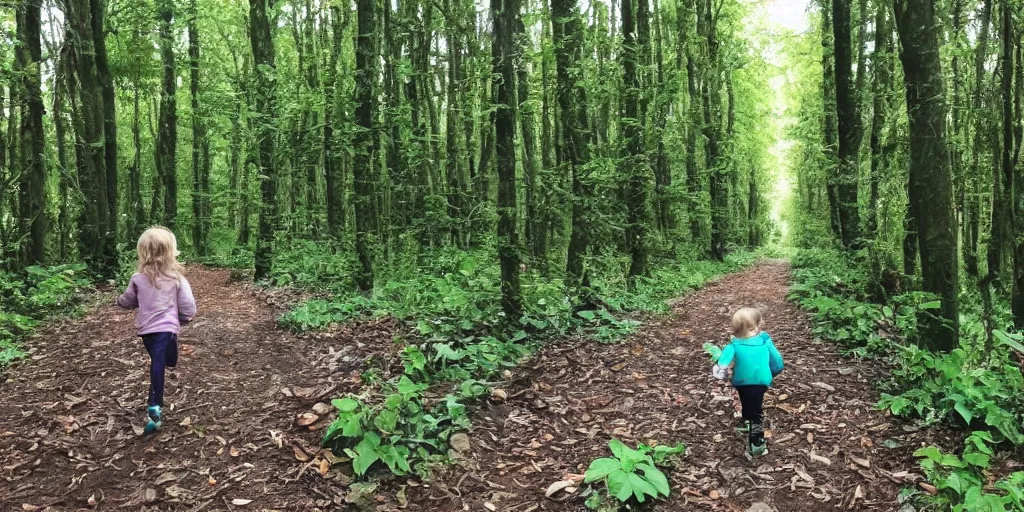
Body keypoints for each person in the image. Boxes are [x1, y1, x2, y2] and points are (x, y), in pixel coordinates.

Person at [116, 227, 196, 434]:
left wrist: (120, 302)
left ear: (142, 252)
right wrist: (185, 317)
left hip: (148, 332)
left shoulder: (140, 278)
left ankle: (156, 399)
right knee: (160, 362)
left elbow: (128, 300)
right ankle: (155, 405)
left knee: (162, 360)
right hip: (167, 329)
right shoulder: (175, 278)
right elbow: (188, 304)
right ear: (170, 251)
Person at [712, 307, 784, 457]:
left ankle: (749, 425)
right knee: (755, 409)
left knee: (748, 402)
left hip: (742, 381)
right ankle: (756, 443)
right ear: (756, 326)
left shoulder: (734, 345)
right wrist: (773, 372)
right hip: (760, 380)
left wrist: (721, 371)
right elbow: (777, 361)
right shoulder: (765, 341)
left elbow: (723, 362)